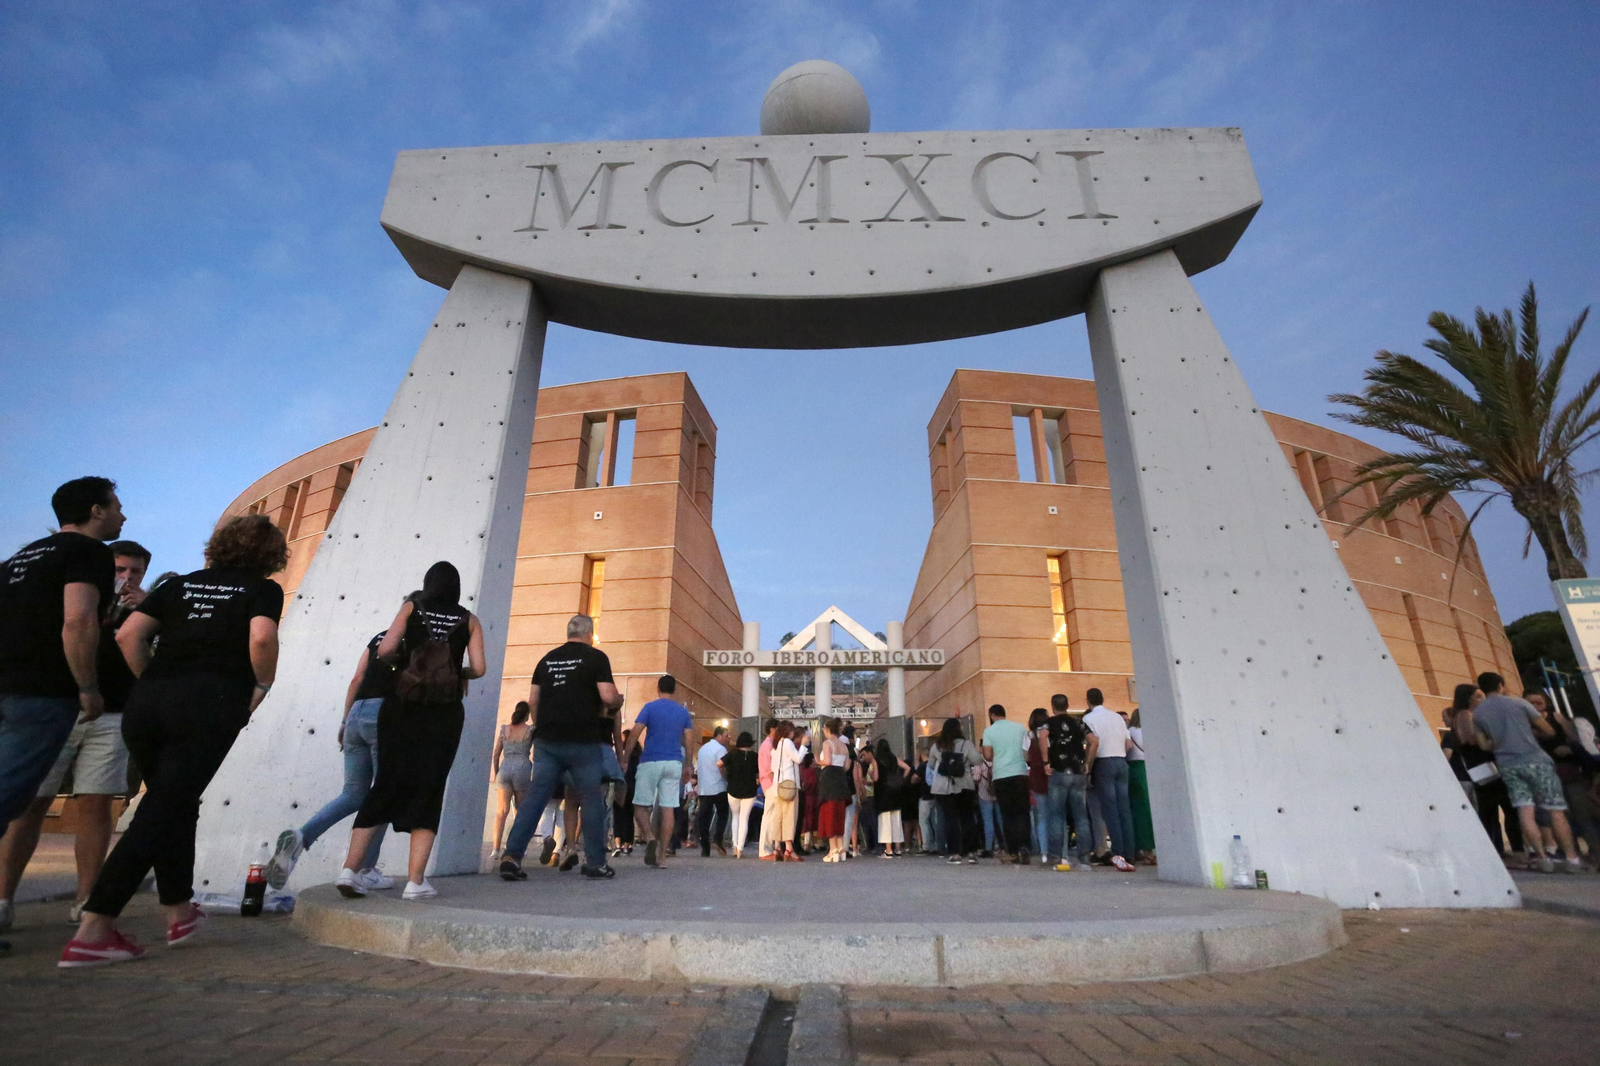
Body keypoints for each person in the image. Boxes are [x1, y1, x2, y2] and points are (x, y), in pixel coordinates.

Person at [61, 514, 283, 967]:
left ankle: (179, 910)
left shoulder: (178, 585)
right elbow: (261, 636)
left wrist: (153, 683)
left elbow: (129, 634)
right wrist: (261, 686)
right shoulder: (263, 589)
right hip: (210, 703)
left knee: (174, 801)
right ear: (270, 555)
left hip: (148, 703)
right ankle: (95, 926)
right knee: (163, 808)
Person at [0, 538, 146, 932]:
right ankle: (4, 898)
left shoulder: (144, 608)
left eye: (134, 571)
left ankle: (85, 899)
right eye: (120, 569)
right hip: (61, 703)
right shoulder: (75, 595)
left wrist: (144, 614)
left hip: (111, 712)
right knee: (29, 803)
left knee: (97, 805)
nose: (126, 577)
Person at [339, 562, 486, 900]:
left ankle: (349, 870)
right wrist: (456, 672)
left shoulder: (411, 607)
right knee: (430, 787)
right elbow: (479, 668)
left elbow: (386, 649)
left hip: (401, 708)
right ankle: (415, 882)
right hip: (444, 714)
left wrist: (404, 666)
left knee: (385, 783)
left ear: (428, 584)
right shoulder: (469, 620)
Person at [1, 478, 124, 847]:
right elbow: (79, 619)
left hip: (7, 687)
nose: (123, 515)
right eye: (116, 506)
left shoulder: (17, 559)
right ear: (96, 511)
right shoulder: (88, 552)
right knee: (8, 793)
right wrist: (87, 687)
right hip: (42, 692)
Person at [264, 625, 401, 893]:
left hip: (355, 716)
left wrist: (345, 720)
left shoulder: (379, 637)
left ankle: (302, 836)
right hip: (384, 715)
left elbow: (357, 678)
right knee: (384, 794)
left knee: (353, 795)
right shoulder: (416, 638)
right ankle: (365, 869)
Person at [500, 615, 621, 882]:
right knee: (590, 799)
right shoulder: (596, 658)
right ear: (590, 633)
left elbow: (533, 700)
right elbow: (608, 697)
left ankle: (511, 856)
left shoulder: (546, 660)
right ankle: (596, 863)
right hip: (582, 740)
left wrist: (542, 725)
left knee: (536, 798)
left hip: (547, 741)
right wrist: (618, 700)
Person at [1459, 672, 1579, 873]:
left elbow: (1485, 745)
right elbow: (1548, 731)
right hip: (1535, 760)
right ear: (1501, 685)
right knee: (1555, 810)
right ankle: (1571, 858)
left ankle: (1542, 858)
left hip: (1507, 765)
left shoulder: (1478, 714)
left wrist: (1501, 740)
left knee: (1525, 811)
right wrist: (1528, 733)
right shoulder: (1519, 704)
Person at [628, 674, 695, 868]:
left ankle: (649, 837)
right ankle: (663, 857)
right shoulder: (682, 713)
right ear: (674, 690)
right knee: (668, 808)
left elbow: (635, 732)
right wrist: (688, 764)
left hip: (650, 760)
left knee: (640, 806)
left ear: (658, 689)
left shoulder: (650, 707)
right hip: (673, 762)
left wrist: (625, 756)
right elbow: (689, 738)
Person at [1084, 688, 1137, 872]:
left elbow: (1092, 744)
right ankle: (1130, 852)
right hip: (1121, 762)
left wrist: (1088, 767)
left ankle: (1118, 852)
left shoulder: (1089, 719)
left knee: (1110, 810)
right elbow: (1128, 744)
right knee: (1124, 808)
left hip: (1103, 763)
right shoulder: (1116, 717)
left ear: (1088, 701)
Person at [1040, 694, 1092, 868]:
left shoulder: (1050, 723)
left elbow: (1042, 736)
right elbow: (1094, 740)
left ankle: (1055, 855)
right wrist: (1087, 762)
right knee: (1081, 816)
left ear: (1053, 706)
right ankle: (1084, 856)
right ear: (1068, 705)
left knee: (1056, 814)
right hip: (1078, 772)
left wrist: (1046, 761)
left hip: (1059, 771)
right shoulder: (1078, 723)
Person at [982, 704, 1032, 865]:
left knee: (1007, 815)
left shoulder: (989, 731)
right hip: (1020, 773)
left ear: (991, 715)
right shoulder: (1020, 728)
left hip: (1002, 776)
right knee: (1023, 813)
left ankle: (1013, 851)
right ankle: (1025, 847)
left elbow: (988, 755)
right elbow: (1027, 751)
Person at [927, 718, 981, 863]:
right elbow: (977, 760)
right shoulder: (966, 744)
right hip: (964, 785)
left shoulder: (937, 745)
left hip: (943, 788)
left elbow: (931, 765)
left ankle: (954, 853)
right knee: (967, 818)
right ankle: (971, 852)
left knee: (949, 820)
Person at [490, 703, 534, 857]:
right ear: (527, 714)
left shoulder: (504, 729)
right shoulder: (530, 730)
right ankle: (518, 847)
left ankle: (495, 849)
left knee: (501, 811)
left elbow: (496, 755)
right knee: (521, 811)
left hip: (505, 767)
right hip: (522, 767)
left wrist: (497, 774)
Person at [816, 718, 852, 862]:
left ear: (827, 729)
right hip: (841, 778)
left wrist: (817, 762)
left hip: (829, 778)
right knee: (839, 813)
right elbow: (847, 765)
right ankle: (841, 847)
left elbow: (828, 761)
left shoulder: (827, 743)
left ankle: (833, 849)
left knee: (829, 812)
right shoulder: (844, 745)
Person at [768, 722, 804, 860]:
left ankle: (777, 847)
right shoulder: (788, 742)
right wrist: (803, 747)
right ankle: (789, 848)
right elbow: (798, 759)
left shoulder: (776, 746)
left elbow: (772, 767)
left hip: (778, 786)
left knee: (778, 817)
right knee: (789, 817)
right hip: (789, 786)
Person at [869, 738, 910, 856]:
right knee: (896, 820)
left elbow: (876, 778)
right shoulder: (893, 758)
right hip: (896, 792)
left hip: (883, 793)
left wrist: (871, 775)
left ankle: (888, 850)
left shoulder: (876, 760)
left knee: (885, 821)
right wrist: (901, 779)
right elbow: (907, 768)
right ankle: (898, 848)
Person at [1126, 708, 1156, 864]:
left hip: (1131, 770)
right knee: (1147, 809)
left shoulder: (1129, 731)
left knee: (1135, 810)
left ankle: (1138, 849)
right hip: (1145, 768)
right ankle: (1149, 851)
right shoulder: (1148, 731)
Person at [696, 724, 730, 857]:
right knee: (723, 814)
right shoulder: (721, 750)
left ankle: (705, 847)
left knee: (704, 817)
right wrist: (726, 779)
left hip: (704, 788)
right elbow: (722, 768)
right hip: (718, 786)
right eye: (726, 736)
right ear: (719, 736)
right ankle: (717, 838)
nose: (728, 739)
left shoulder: (702, 749)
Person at [724, 731, 759, 856]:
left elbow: (719, 763)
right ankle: (740, 848)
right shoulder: (755, 756)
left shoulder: (732, 754)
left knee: (735, 817)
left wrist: (727, 774)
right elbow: (759, 771)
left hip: (733, 789)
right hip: (750, 790)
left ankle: (734, 846)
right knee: (744, 819)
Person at [756, 719, 780, 859]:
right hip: (770, 783)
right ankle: (764, 849)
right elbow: (768, 768)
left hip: (769, 783)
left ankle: (769, 848)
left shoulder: (770, 745)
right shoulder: (767, 746)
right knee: (769, 816)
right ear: (772, 729)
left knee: (771, 816)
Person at [914, 738, 941, 855]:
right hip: (935, 795)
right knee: (935, 822)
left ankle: (926, 845)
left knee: (924, 821)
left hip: (924, 797)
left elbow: (914, 778)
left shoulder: (922, 766)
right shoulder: (934, 765)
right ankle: (937, 844)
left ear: (922, 755)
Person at [974, 751, 999, 857]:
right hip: (998, 794)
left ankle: (989, 847)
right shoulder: (998, 759)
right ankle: (1003, 846)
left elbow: (976, 778)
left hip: (984, 794)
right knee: (1001, 820)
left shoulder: (979, 761)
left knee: (988, 821)